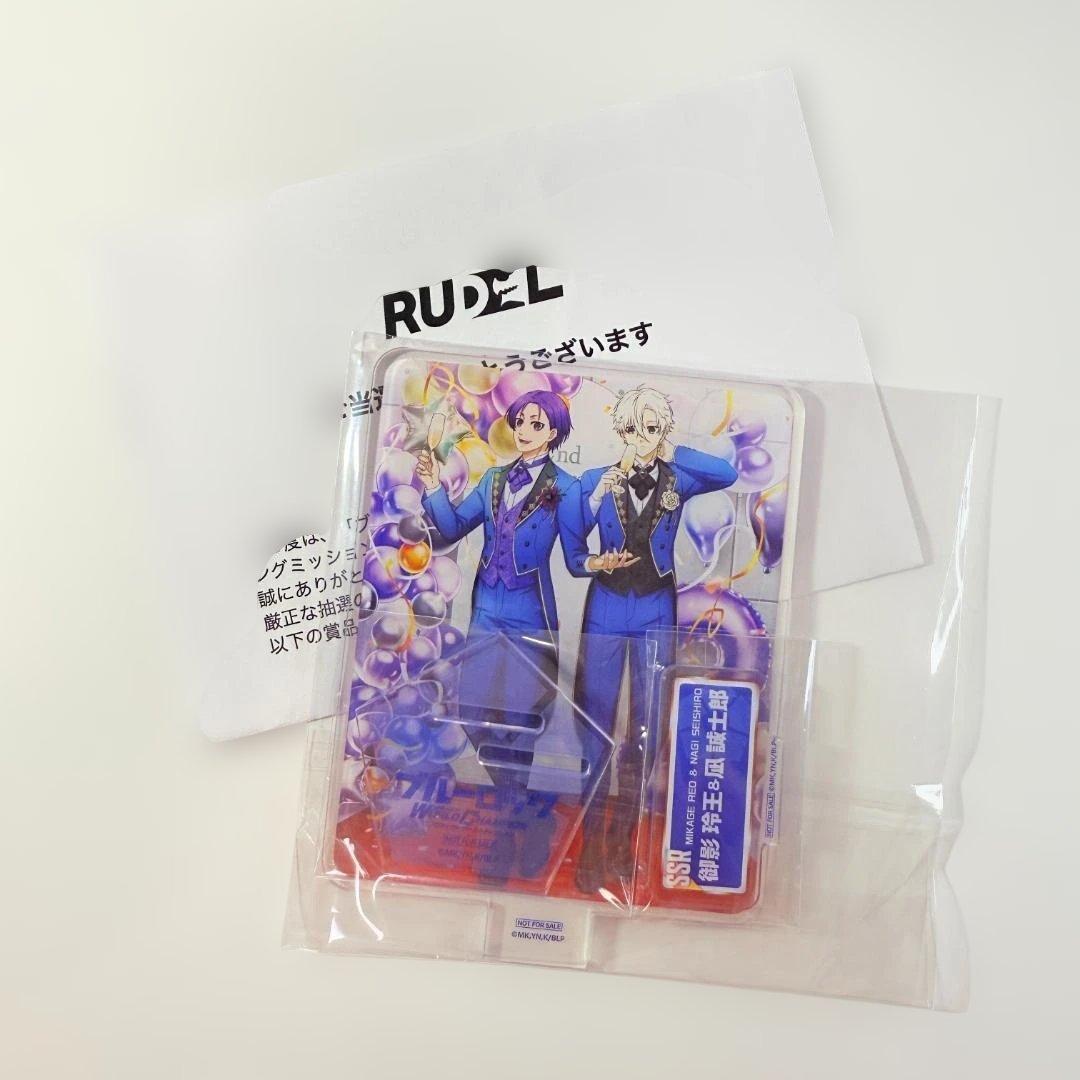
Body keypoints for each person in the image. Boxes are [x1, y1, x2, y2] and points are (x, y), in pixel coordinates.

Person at [416, 389, 603, 883]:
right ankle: (531, 812)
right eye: (520, 421)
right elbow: (452, 528)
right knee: (473, 715)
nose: (525, 431)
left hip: (530, 614)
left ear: (554, 432)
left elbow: (575, 557)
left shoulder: (566, 488)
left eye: (537, 424)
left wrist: (601, 564)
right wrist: (435, 488)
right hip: (486, 611)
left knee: (519, 724)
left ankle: (504, 836)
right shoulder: (494, 479)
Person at [573, 386, 737, 893]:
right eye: (637, 423)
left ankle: (622, 844)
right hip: (605, 604)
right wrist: (594, 556)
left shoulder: (678, 478)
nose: (645, 432)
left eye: (655, 424)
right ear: (621, 427)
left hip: (656, 606)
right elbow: (573, 537)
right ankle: (588, 846)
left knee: (647, 726)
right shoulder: (595, 479)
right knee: (594, 724)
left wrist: (672, 446)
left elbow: (726, 473)